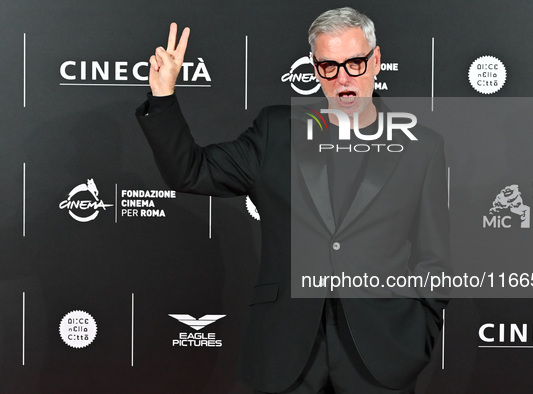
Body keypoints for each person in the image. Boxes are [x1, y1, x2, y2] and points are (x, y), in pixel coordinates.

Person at [136, 7, 449, 394]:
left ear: (376, 61)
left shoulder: (422, 147)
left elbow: (434, 256)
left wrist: (419, 334)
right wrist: (164, 95)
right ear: (316, 70)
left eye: (354, 63)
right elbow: (190, 171)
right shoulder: (276, 130)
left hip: (383, 351)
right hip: (285, 350)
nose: (343, 79)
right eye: (329, 67)